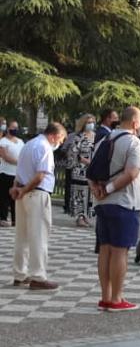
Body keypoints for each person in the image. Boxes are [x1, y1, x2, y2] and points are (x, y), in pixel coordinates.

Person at [89, 106, 140, 312]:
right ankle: (116, 298)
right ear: (135, 123)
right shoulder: (133, 142)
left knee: (105, 249)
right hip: (124, 202)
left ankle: (105, 297)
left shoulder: (105, 140)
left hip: (102, 204)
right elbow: (131, 173)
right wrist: (110, 189)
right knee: (120, 251)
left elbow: (91, 170)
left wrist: (97, 190)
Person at [11, 122, 66, 290]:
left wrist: (17, 189)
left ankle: (20, 273)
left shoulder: (28, 145)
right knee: (39, 237)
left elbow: (20, 171)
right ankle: (38, 276)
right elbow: (40, 175)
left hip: (22, 193)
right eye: (61, 139)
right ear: (54, 136)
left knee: (22, 236)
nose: (60, 143)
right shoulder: (45, 147)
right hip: (37, 194)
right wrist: (25, 189)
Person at [67, 114, 96, 227]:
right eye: (88, 122)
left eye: (92, 121)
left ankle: (87, 216)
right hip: (80, 170)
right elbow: (72, 153)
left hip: (92, 171)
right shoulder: (78, 137)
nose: (91, 124)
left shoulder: (95, 136)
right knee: (80, 194)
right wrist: (82, 160)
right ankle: (79, 216)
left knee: (90, 194)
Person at [0, 120, 24, 227]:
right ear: (8, 128)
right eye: (13, 127)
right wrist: (18, 162)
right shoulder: (3, 141)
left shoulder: (20, 141)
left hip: (17, 174)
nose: (15, 130)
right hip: (6, 172)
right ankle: (3, 218)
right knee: (4, 196)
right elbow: (5, 156)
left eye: (17, 127)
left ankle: (16, 219)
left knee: (16, 197)